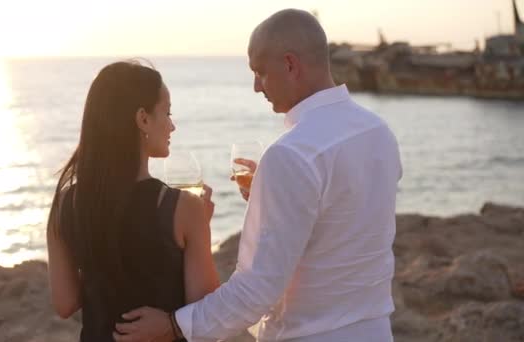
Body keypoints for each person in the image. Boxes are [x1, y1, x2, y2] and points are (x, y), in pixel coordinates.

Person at [113, 8, 402, 342]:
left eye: (260, 72)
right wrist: (268, 196)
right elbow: (346, 218)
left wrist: (175, 325)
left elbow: (257, 287)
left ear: (290, 65)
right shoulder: (378, 132)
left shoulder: (291, 155)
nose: (255, 86)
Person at [46, 60, 220, 342]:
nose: (172, 126)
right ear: (143, 119)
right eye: (167, 112)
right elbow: (206, 316)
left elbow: (65, 303)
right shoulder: (182, 208)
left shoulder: (65, 202)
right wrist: (200, 229)